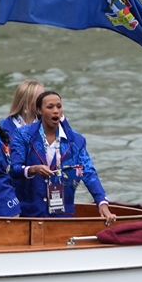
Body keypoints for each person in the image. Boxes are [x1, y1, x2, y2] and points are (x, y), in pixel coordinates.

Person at [9, 91, 115, 223]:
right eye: (50, 107)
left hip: (63, 215)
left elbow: (88, 172)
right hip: (29, 214)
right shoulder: (22, 135)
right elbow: (14, 169)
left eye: (59, 107)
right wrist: (32, 169)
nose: (56, 111)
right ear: (39, 111)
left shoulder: (76, 140)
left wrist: (102, 202)